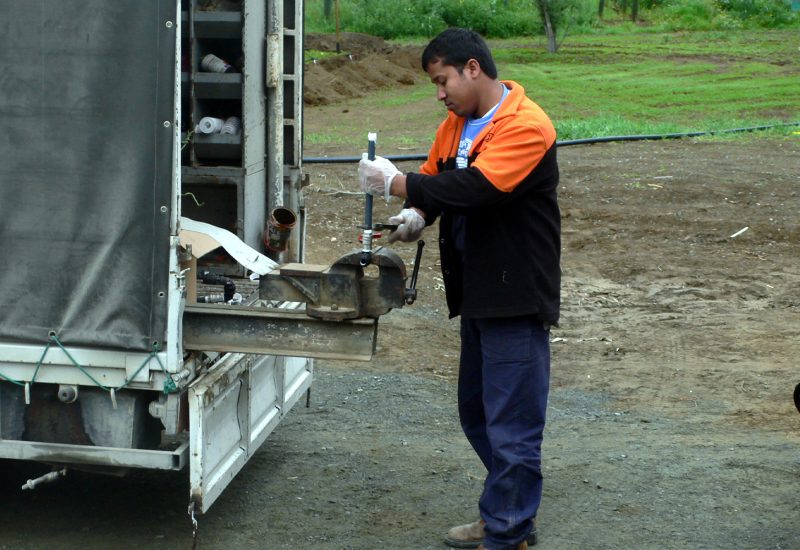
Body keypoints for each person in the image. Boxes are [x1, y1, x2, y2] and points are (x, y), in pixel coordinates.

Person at [358, 28, 560, 550]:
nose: (439, 93)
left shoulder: (527, 125)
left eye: (442, 80)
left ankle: (508, 530)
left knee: (511, 423)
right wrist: (415, 214)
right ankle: (506, 513)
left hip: (516, 293)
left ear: (473, 68)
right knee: (478, 411)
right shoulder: (457, 126)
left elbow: (481, 188)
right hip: (478, 292)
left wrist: (395, 184)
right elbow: (439, 181)